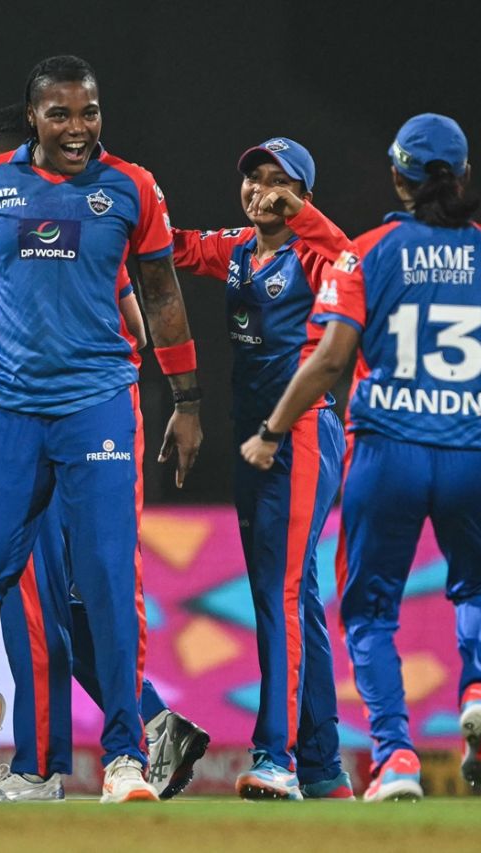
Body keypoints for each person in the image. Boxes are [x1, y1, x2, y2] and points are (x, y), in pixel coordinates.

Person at [240, 113, 481, 801]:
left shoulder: (368, 253)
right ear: (465, 176)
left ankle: (394, 756)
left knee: (370, 611)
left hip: (387, 453)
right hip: (475, 452)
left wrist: (272, 428)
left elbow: (331, 357)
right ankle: (480, 688)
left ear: (396, 175)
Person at [0, 54, 203, 804]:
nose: (77, 128)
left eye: (88, 112)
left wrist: (186, 402)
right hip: (3, 405)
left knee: (107, 580)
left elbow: (160, 295)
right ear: (32, 118)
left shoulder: (131, 187)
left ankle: (124, 754)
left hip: (97, 402)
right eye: (60, 114)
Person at [0, 118, 208, 802]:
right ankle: (155, 722)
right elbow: (133, 321)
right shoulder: (37, 225)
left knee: (47, 600)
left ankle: (42, 765)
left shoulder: (50, 221)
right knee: (69, 601)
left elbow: (138, 317)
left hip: (46, 421)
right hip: (45, 420)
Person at [170, 137, 353, 801]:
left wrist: (299, 212)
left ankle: (274, 755)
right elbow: (181, 246)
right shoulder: (242, 250)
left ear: (304, 195)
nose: (261, 193)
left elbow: (345, 254)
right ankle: (326, 765)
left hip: (301, 437)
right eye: (253, 179)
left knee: (279, 594)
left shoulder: (319, 255)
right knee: (293, 596)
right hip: (252, 441)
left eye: (279, 183)